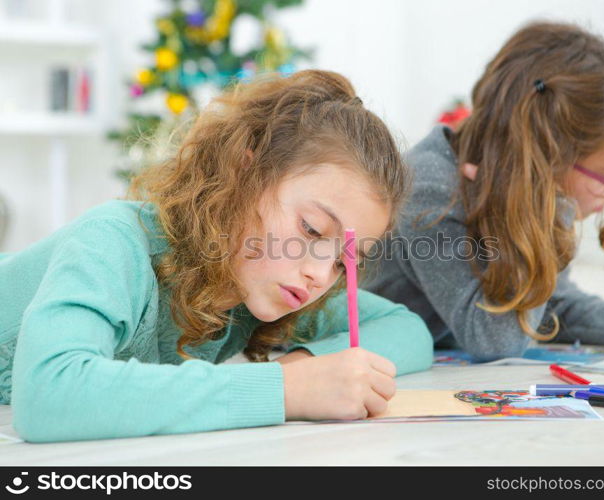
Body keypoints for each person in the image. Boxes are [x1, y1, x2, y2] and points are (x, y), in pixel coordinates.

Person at [1, 70, 433, 443]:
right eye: (312, 230)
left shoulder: (264, 285)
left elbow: (407, 329)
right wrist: (285, 389)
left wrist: (307, 367)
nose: (322, 275)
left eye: (344, 260)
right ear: (245, 172)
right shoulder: (115, 241)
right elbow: (46, 394)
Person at [365, 21, 604, 361]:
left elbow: (549, 306)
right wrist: (543, 211)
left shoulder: (526, 199)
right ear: (544, 161)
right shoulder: (429, 187)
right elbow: (496, 339)